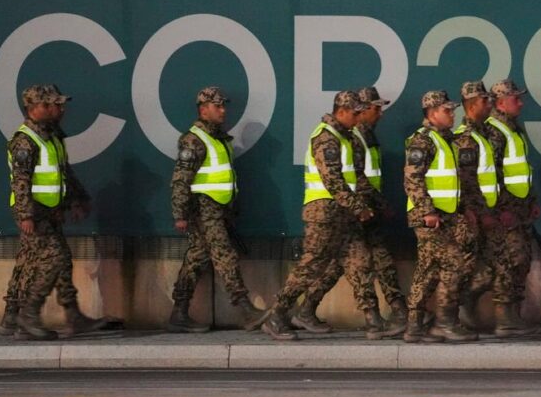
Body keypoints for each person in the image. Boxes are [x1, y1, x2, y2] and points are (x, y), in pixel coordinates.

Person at [263, 90, 374, 340]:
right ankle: (277, 315)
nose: (358, 118)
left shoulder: (348, 138)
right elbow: (333, 180)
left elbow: (357, 177)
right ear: (341, 111)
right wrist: (359, 207)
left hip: (344, 216)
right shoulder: (326, 137)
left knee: (360, 262)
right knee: (310, 267)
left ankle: (372, 320)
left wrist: (370, 204)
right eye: (355, 113)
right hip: (323, 214)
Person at [3, 84, 107, 340]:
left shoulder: (52, 135)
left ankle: (62, 316)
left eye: (59, 104)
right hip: (34, 213)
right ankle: (28, 315)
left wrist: (75, 199)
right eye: (51, 104)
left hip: (49, 211)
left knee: (41, 262)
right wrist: (26, 214)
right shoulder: (25, 141)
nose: (59, 109)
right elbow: (21, 180)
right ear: (34, 108)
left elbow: (62, 172)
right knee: (55, 259)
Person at [167, 86, 269, 333]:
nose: (223, 111)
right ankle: (245, 310)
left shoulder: (219, 138)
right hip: (204, 209)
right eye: (217, 106)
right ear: (203, 109)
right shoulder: (193, 140)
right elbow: (181, 178)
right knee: (225, 256)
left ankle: (178, 313)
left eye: (224, 105)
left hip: (219, 209)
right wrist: (180, 214)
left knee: (196, 258)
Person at [402, 90, 479, 343]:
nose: (452, 114)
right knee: (452, 265)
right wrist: (427, 212)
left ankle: (415, 326)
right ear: (432, 113)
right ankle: (444, 322)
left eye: (452, 110)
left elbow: (455, 181)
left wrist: (464, 207)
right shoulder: (423, 141)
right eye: (447, 110)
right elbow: (413, 179)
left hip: (447, 216)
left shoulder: (446, 140)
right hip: (431, 219)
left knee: (428, 270)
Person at [348, 86, 407, 339]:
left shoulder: (368, 137)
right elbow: (358, 178)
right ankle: (373, 319)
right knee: (357, 266)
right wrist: (379, 205)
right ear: (362, 110)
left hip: (369, 211)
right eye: (376, 108)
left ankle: (399, 311)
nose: (380, 114)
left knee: (383, 261)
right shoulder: (353, 138)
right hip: (355, 213)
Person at [485, 79, 541, 336]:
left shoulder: (513, 129)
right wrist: (501, 209)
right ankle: (504, 319)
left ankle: (513, 317)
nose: (521, 103)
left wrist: (530, 202)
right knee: (509, 261)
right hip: (505, 212)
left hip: (519, 209)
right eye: (515, 98)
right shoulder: (494, 131)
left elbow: (520, 170)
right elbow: (491, 175)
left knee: (521, 261)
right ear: (500, 102)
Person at [455, 81, 505, 332]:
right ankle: (448, 317)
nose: (490, 104)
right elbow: (467, 182)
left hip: (489, 212)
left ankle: (464, 303)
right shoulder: (465, 138)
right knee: (461, 268)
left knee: (497, 266)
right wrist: (479, 213)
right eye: (486, 101)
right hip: (474, 216)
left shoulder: (485, 133)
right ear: (473, 105)